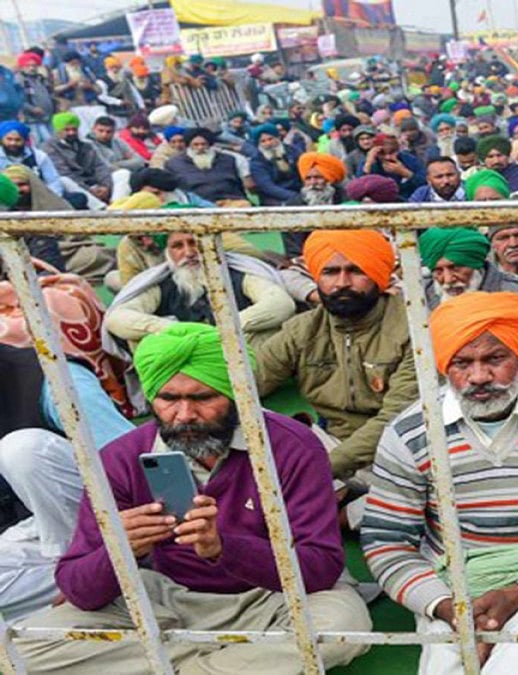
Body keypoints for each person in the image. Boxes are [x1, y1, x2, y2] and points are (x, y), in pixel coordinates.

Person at [14, 324, 371, 672]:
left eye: (203, 397)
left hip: (272, 599)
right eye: (169, 398)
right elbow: (78, 587)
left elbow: (320, 567)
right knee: (23, 648)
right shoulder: (121, 458)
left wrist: (223, 548)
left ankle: (174, 662)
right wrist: (119, 551)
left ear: (236, 394)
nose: (184, 415)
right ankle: (227, 664)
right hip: (166, 600)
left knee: (342, 626)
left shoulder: (292, 447)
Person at [363, 292, 518, 675]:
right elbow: (386, 542)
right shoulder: (410, 432)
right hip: (454, 579)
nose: (478, 376)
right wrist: (450, 608)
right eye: (462, 363)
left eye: (494, 359)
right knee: (446, 664)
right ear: (445, 366)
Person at [255, 230, 418, 489]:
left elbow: (395, 420)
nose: (342, 282)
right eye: (330, 272)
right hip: (329, 445)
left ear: (379, 276)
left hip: (401, 453)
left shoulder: (413, 329)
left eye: (355, 271)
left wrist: (318, 471)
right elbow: (247, 384)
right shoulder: (303, 330)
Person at [0, 346, 133, 621]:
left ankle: (88, 576)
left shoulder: (49, 377)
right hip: (35, 533)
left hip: (114, 518)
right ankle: (92, 587)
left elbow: (133, 464)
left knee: (24, 450)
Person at [102, 231, 294, 355]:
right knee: (140, 339)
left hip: (240, 355)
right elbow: (117, 318)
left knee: (269, 330)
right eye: (178, 246)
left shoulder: (237, 274)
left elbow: (280, 303)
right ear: (168, 252)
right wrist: (181, 332)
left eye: (194, 243)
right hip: (185, 359)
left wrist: (222, 331)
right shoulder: (162, 284)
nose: (189, 252)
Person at [419, 227, 518, 310]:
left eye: (456, 268)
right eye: (438, 271)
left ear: (477, 265)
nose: (448, 279)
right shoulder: (419, 295)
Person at [283, 152, 348, 257]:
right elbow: (293, 247)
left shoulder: (345, 199)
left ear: (329, 179)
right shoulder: (293, 206)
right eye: (308, 178)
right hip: (309, 256)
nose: (313, 183)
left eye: (318, 177)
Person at [41, 112, 112, 205]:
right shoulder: (49, 148)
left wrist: (106, 186)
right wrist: (90, 190)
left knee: (122, 173)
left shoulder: (85, 145)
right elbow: (64, 173)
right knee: (64, 180)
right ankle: (100, 207)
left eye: (74, 129)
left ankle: (116, 205)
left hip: (95, 182)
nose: (71, 133)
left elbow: (100, 166)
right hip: (76, 186)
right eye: (67, 130)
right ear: (58, 130)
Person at [165, 128, 249, 205]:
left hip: (232, 202)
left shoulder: (228, 160)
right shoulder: (174, 164)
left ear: (210, 144)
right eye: (196, 145)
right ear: (189, 145)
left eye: (203, 144)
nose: (200, 148)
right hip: (196, 206)